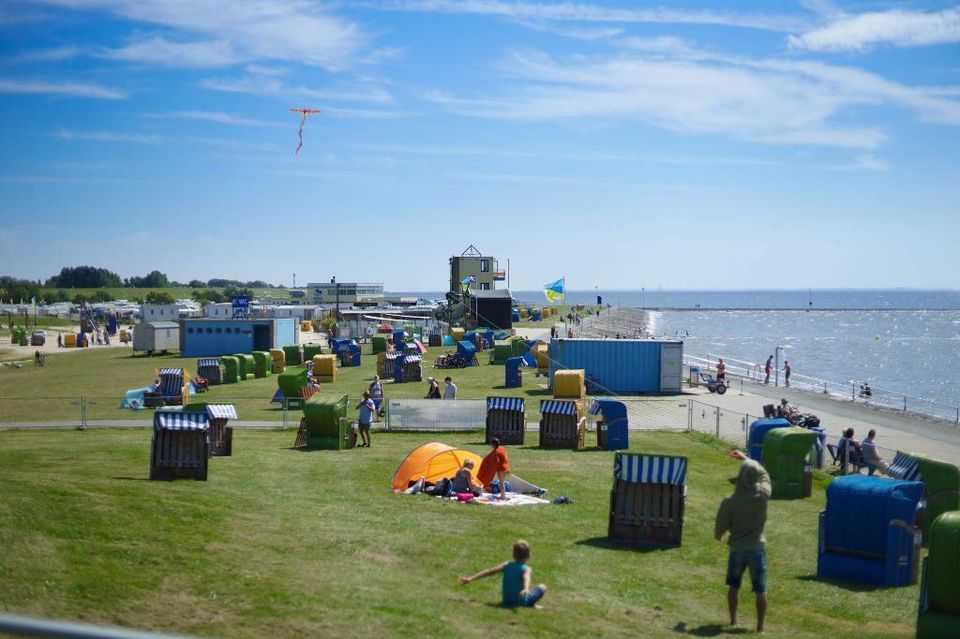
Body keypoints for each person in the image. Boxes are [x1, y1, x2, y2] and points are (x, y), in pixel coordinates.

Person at [715, 450, 771, 634]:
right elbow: (764, 474)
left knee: (734, 586)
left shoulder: (730, 502)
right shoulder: (763, 495)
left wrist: (721, 534)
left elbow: (719, 531)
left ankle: (732, 620)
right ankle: (760, 627)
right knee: (760, 590)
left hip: (737, 548)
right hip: (757, 547)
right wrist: (747, 459)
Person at [459, 540, 546, 608]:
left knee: (528, 592)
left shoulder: (507, 565)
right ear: (529, 555)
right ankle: (531, 605)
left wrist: (470, 578)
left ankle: (532, 605)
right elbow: (526, 578)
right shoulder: (526, 569)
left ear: (513, 554)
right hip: (521, 603)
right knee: (542, 587)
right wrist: (526, 588)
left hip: (506, 601)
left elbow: (489, 571)